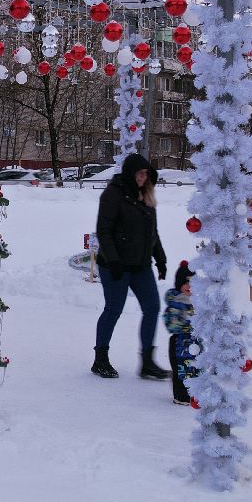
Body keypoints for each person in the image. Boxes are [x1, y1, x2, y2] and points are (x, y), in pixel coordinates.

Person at [92, 151, 170, 380]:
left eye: (146, 173)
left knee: (152, 307)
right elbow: (103, 231)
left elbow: (152, 233)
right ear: (129, 173)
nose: (142, 177)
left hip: (140, 266)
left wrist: (161, 259)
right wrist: (113, 260)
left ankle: (147, 361)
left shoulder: (146, 196)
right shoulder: (112, 194)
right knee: (113, 309)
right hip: (114, 265)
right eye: (139, 173)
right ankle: (100, 358)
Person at [164, 261, 200, 406]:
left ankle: (195, 393)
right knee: (180, 368)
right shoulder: (175, 302)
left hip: (194, 343)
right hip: (178, 342)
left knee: (194, 368)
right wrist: (187, 325)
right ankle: (180, 395)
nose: (189, 286)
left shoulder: (197, 302)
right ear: (179, 284)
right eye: (186, 283)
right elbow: (171, 324)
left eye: (193, 283)